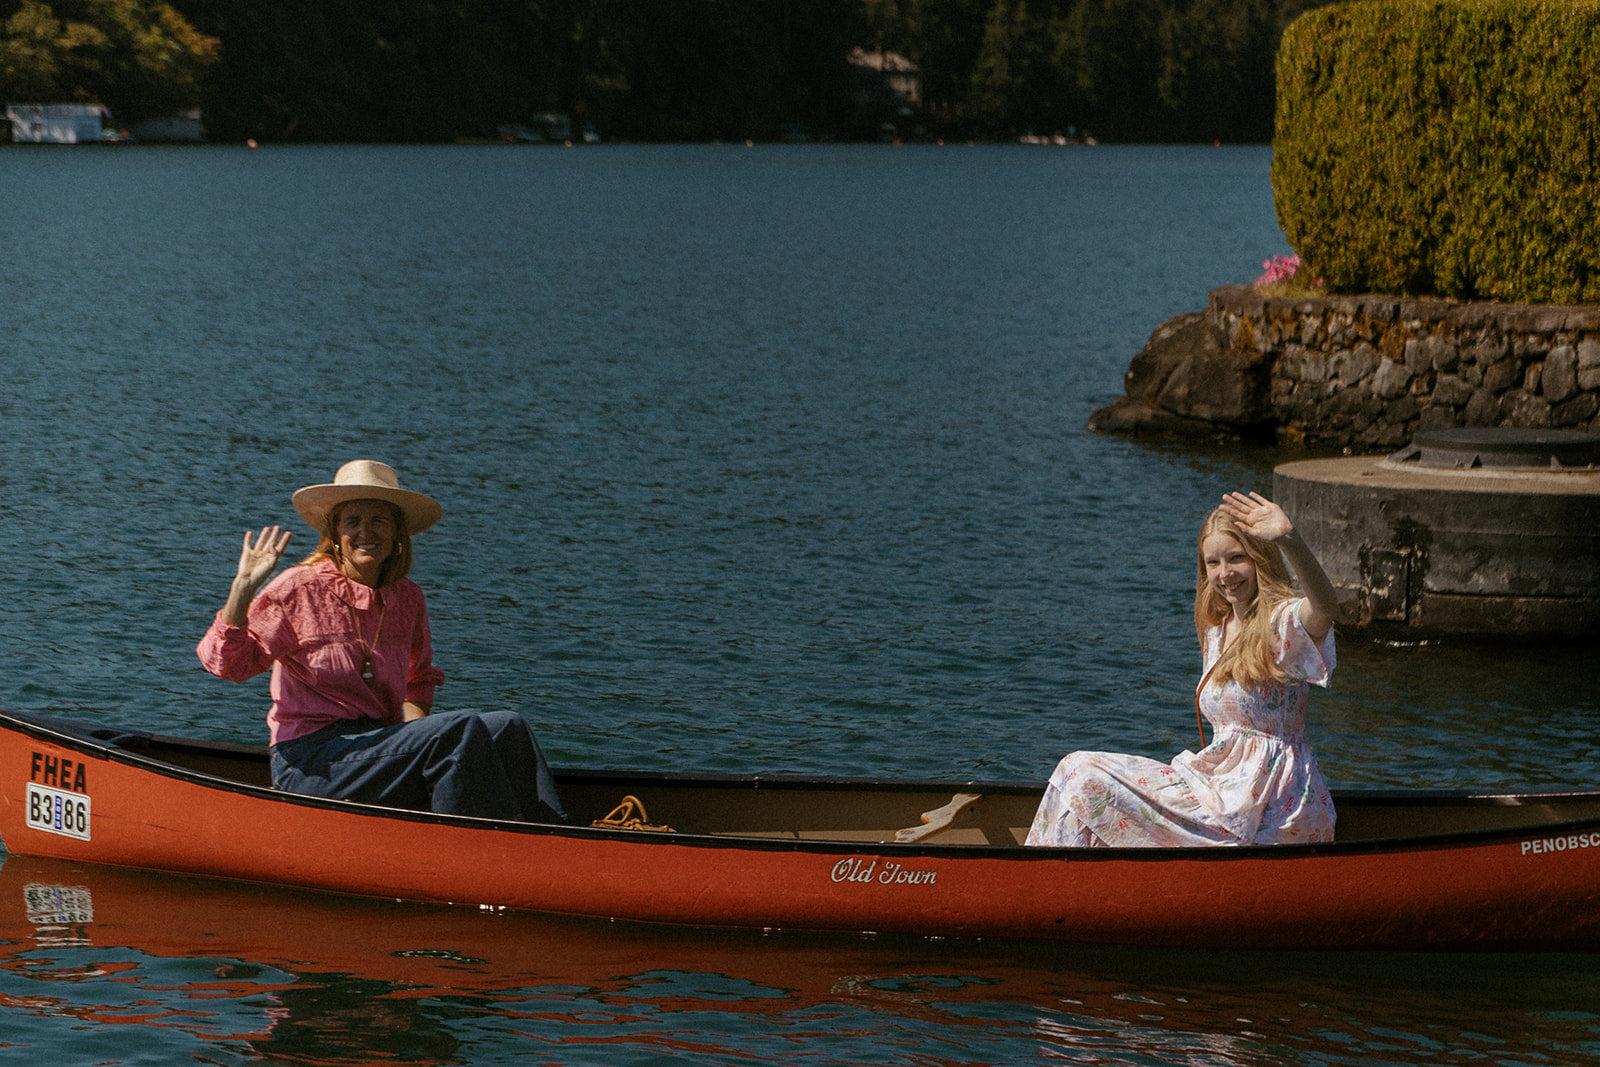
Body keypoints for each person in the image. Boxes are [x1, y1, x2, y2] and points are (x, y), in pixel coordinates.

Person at [197, 459, 567, 823]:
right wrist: (241, 590)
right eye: (352, 521)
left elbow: (418, 681)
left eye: (378, 520)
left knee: (508, 726)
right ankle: (483, 845)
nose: (365, 531)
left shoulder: (407, 598)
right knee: (458, 729)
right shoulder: (299, 588)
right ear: (335, 534)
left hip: (378, 747)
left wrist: (415, 738)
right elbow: (228, 666)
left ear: (396, 533)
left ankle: (553, 832)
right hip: (310, 762)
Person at [1025, 491, 1338, 847]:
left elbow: (1325, 608)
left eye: (1237, 558)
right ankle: (1050, 875)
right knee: (1075, 775)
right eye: (1213, 563)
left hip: (1272, 806)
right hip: (1217, 790)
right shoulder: (1217, 630)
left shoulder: (1281, 623)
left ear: (1260, 559)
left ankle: (1038, 875)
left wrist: (1289, 540)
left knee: (1082, 775)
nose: (1225, 573)